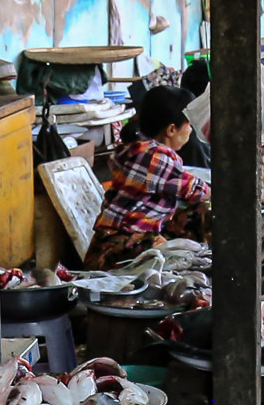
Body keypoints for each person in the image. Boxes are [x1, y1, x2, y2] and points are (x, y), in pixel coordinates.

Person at [87, 86, 210, 269]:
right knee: (208, 211)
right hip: (113, 253)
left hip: (118, 241)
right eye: (189, 125)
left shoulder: (137, 149)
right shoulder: (155, 158)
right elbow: (198, 191)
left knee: (193, 215)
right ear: (171, 129)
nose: (191, 131)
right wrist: (259, 194)